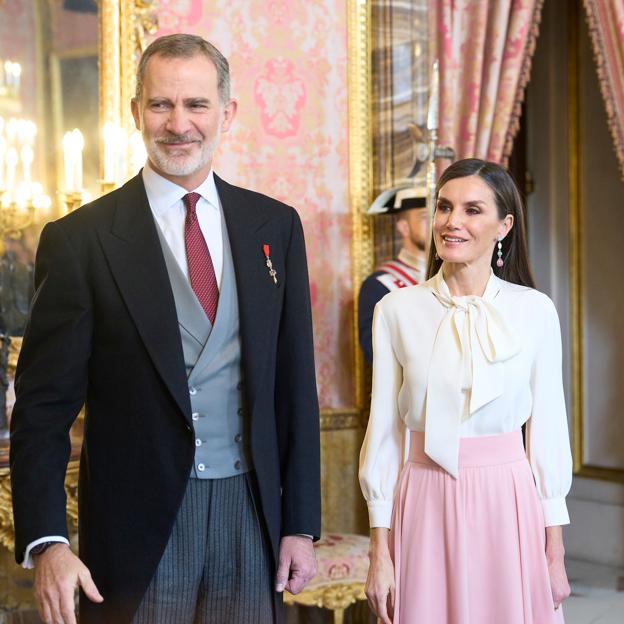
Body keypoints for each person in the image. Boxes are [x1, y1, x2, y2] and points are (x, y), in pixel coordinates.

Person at [10, 34, 320, 624]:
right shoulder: (80, 241)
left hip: (250, 519)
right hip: (137, 529)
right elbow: (43, 409)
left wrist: (300, 524)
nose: (179, 124)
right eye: (161, 105)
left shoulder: (274, 226)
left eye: (196, 105)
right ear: (135, 112)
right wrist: (49, 541)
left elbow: (293, 389)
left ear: (226, 113)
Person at [359, 158, 572, 624]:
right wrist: (380, 551)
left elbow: (548, 432)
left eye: (473, 209)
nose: (452, 221)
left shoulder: (535, 311)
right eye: (444, 207)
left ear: (504, 225)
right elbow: (384, 434)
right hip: (422, 501)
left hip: (509, 502)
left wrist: (553, 550)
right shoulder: (395, 310)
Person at [358, 184, 428, 364]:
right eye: (424, 217)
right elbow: (375, 354)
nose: (434, 224)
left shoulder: (454, 278)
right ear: (404, 227)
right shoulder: (378, 285)